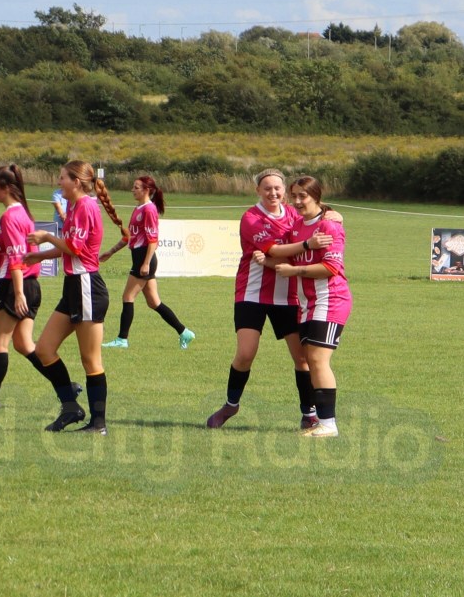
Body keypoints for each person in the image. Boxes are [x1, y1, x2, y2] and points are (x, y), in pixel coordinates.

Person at [205, 168, 336, 431]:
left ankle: (308, 414)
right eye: (267, 188)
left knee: (302, 358)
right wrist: (308, 245)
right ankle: (231, 404)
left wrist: (335, 215)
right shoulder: (251, 218)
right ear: (258, 191)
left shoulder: (293, 213)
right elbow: (274, 250)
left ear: (284, 191)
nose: (273, 193)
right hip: (251, 294)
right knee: (245, 354)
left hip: (288, 296)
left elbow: (322, 216)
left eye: (278, 188)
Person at [0, 165, 81, 408]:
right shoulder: (24, 214)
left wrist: (17, 293)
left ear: (6, 188)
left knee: (0, 344)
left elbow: (16, 257)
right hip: (31, 286)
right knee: (24, 345)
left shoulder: (10, 216)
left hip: (14, 286)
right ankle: (67, 388)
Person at [23, 160, 127, 435]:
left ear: (77, 182)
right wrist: (40, 255)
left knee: (91, 360)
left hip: (87, 287)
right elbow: (68, 249)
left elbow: (76, 249)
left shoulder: (85, 206)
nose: (59, 182)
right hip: (73, 287)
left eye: (62, 178)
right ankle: (70, 407)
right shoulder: (74, 207)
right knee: (44, 349)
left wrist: (46, 236)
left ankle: (98, 424)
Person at [263, 175, 352, 438]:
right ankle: (321, 422)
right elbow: (282, 253)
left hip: (330, 300)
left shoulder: (329, 227)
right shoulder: (297, 227)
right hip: (307, 305)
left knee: (317, 360)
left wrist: (294, 270)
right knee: (311, 362)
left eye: (304, 196)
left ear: (317, 197)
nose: (298, 201)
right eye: (295, 196)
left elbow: (330, 268)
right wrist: (265, 258)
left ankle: (328, 424)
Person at [100, 175, 195, 350]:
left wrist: (145, 263)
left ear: (146, 190)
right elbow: (130, 237)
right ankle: (184, 332)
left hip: (144, 259)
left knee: (127, 297)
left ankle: (122, 339)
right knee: (154, 303)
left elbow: (153, 240)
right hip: (141, 257)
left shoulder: (149, 210)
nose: (132, 190)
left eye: (136, 187)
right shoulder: (139, 208)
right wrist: (111, 252)